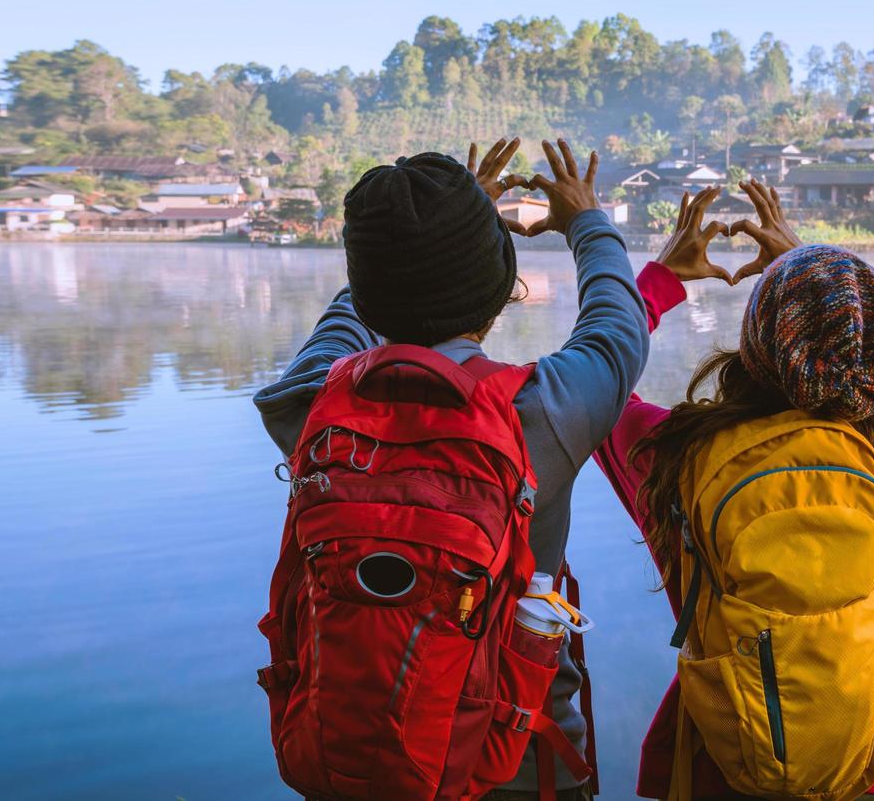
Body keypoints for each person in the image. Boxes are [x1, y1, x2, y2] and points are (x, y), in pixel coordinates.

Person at [253, 138, 647, 800]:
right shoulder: (544, 412)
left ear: (368, 286)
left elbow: (357, 311)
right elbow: (618, 323)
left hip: (348, 757)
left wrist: (408, 242)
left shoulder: (308, 404)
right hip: (517, 765)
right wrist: (586, 220)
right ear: (499, 286)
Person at [593, 183, 874, 800]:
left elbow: (597, 379)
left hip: (721, 761)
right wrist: (808, 258)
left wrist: (657, 281)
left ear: (756, 347)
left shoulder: (677, 454)